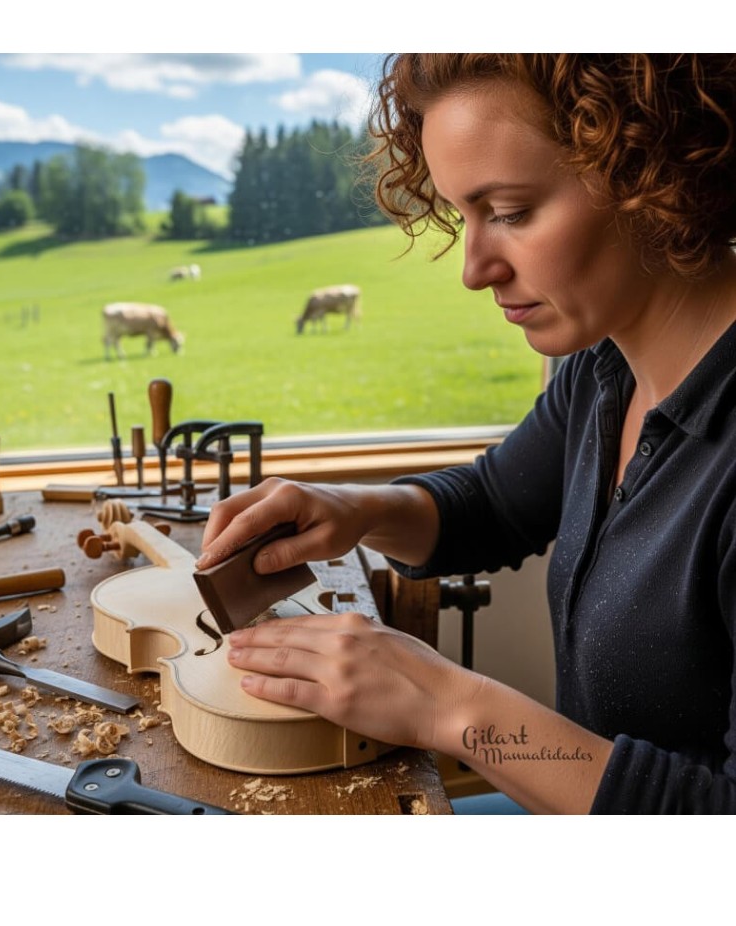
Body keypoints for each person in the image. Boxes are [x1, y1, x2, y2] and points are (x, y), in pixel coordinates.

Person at [197, 54, 736, 814]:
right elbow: (493, 503)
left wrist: (448, 707)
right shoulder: (601, 370)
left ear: (656, 172)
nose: (475, 270)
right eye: (463, 216)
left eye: (510, 213)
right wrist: (356, 508)